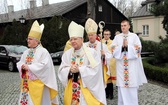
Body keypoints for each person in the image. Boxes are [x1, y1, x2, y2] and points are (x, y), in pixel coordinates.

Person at [58, 21, 106, 105]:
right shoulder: (67, 54)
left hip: (86, 89)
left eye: (75, 39)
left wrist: (79, 69)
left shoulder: (92, 53)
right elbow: (61, 70)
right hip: (72, 88)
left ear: (82, 39)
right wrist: (69, 69)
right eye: (71, 39)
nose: (73, 41)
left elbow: (96, 70)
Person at [17, 20, 59, 105]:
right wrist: (22, 66)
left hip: (40, 86)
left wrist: (29, 67)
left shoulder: (43, 52)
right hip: (27, 84)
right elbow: (20, 62)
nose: (28, 41)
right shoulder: (26, 52)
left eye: (30, 39)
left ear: (37, 41)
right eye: (27, 39)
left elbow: (45, 67)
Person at [111, 20, 147, 105]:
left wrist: (128, 47)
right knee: (122, 89)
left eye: (124, 25)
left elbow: (138, 50)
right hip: (121, 68)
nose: (123, 27)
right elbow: (113, 49)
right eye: (121, 26)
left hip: (131, 68)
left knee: (132, 88)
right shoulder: (117, 37)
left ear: (129, 26)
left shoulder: (134, 37)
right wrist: (121, 47)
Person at [84, 18, 112, 86]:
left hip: (99, 70)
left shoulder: (102, 45)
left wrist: (104, 55)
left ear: (96, 35)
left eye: (92, 35)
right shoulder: (84, 46)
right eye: (89, 35)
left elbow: (110, 56)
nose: (90, 37)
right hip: (88, 70)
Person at [102, 29, 116, 99]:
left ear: (110, 35)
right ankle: (106, 93)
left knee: (110, 80)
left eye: (107, 34)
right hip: (103, 63)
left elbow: (114, 53)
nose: (106, 36)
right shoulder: (100, 42)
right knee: (104, 79)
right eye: (105, 34)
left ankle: (111, 94)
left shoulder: (113, 43)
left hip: (110, 63)